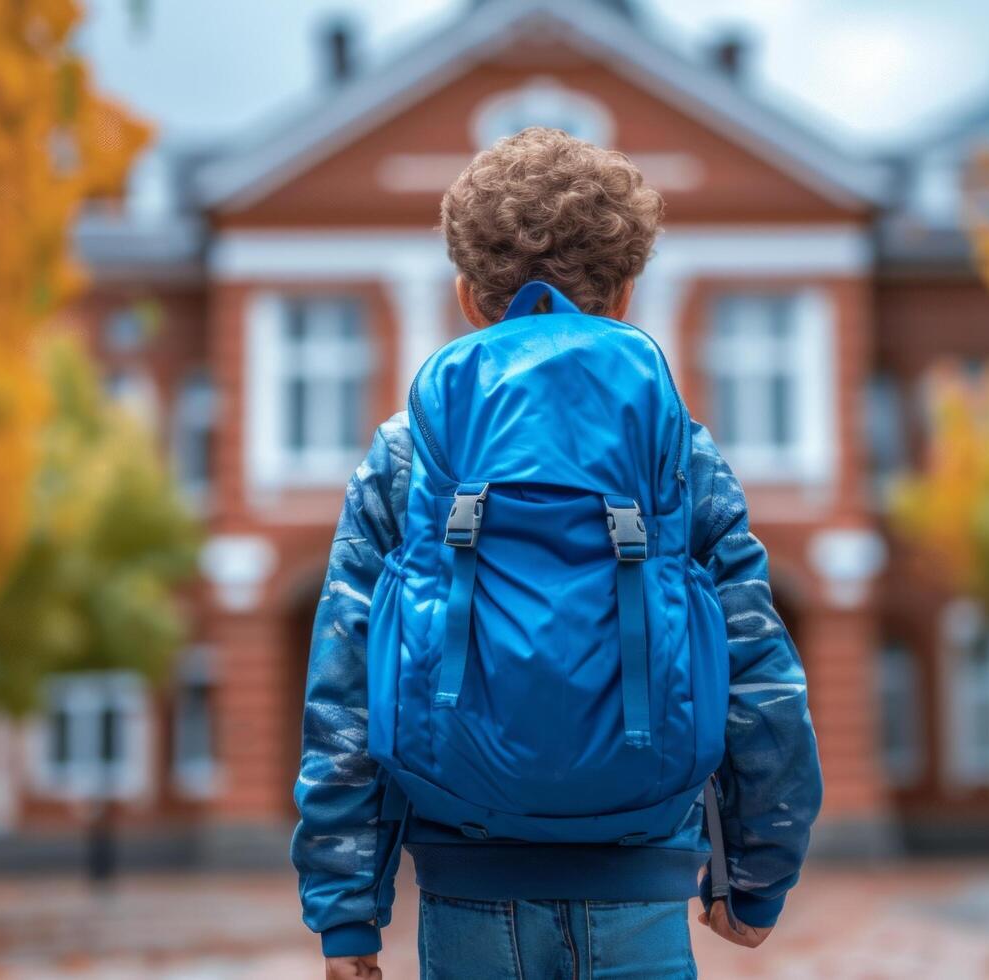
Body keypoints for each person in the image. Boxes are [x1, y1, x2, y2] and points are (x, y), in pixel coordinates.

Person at [294, 126, 821, 980]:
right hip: (639, 879)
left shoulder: (408, 450)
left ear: (468, 297)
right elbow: (759, 670)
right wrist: (757, 871)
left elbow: (346, 687)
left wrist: (345, 912)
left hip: (467, 882)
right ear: (623, 296)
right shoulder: (676, 451)